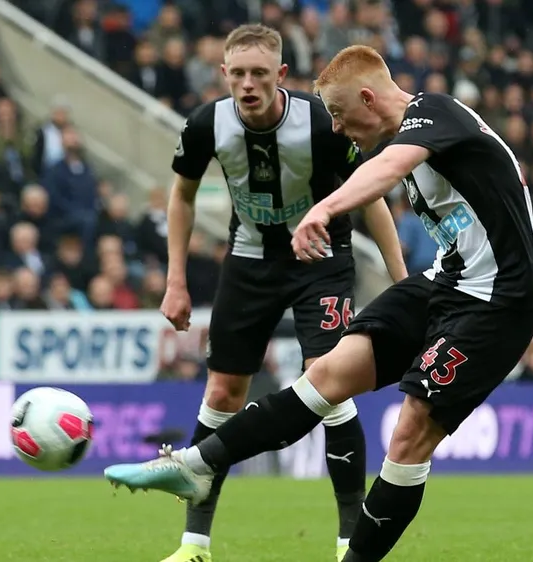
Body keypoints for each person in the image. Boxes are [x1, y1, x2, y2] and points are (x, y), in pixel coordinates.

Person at [105, 45, 533, 561]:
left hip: (498, 302)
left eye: (337, 113)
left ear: (367, 98)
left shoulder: (434, 112)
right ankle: (195, 467)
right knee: (328, 375)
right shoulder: (412, 139)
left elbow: (389, 169)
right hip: (447, 283)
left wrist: (324, 209)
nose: (335, 128)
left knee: (409, 433)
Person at [139, 26, 408, 562]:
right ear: (224, 75)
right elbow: (181, 196)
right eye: (237, 74)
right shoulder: (205, 125)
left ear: (280, 75)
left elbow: (373, 197)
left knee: (329, 385)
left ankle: (349, 541)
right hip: (249, 261)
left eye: (259, 73)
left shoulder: (319, 122)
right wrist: (175, 280)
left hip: (321, 260)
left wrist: (401, 283)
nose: (247, 84)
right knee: (221, 395)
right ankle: (194, 545)